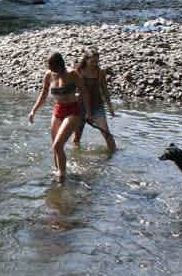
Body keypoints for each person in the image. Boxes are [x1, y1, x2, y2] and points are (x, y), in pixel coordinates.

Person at [28, 52, 89, 183]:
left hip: (73, 110)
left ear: (59, 64)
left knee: (57, 145)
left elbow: (84, 91)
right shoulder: (49, 75)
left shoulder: (72, 74)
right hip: (58, 109)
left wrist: (87, 111)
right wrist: (33, 111)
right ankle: (59, 171)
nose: (49, 68)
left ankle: (62, 177)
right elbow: (43, 94)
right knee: (55, 147)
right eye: (48, 66)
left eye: (51, 65)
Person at [72, 48, 116, 152]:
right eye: (92, 61)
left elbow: (105, 90)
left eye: (97, 62)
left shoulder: (100, 73)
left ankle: (113, 155)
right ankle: (77, 158)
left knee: (106, 133)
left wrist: (110, 108)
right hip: (80, 106)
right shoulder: (78, 71)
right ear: (86, 60)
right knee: (77, 137)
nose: (95, 64)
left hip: (97, 105)